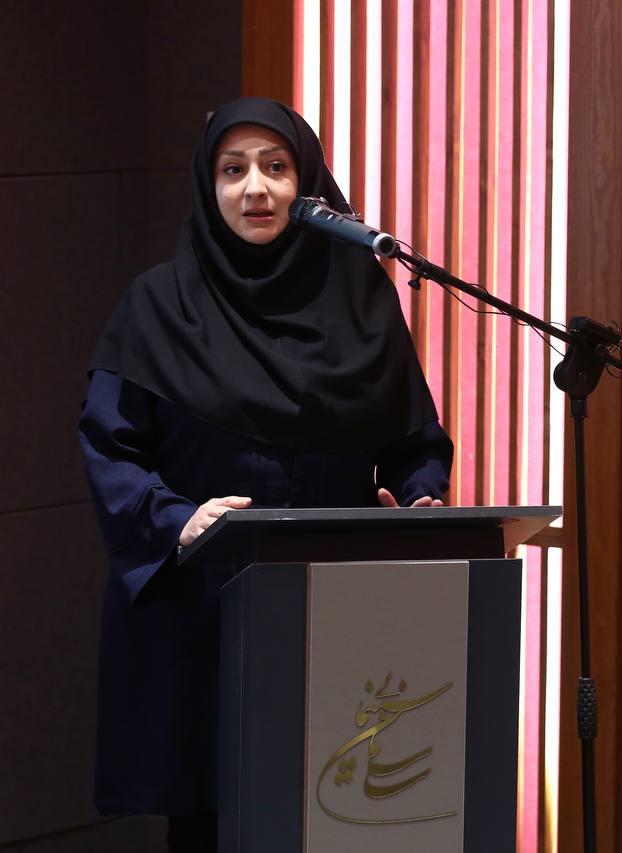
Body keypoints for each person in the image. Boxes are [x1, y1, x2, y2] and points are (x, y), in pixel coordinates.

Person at [78, 97, 453, 853]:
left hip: (339, 609)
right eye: (233, 170)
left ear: (307, 184)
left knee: (345, 816)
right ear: (207, 185)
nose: (256, 187)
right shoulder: (157, 305)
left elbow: (413, 439)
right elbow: (111, 447)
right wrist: (175, 517)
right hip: (203, 606)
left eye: (277, 168)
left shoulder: (362, 299)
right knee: (211, 819)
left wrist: (420, 500)